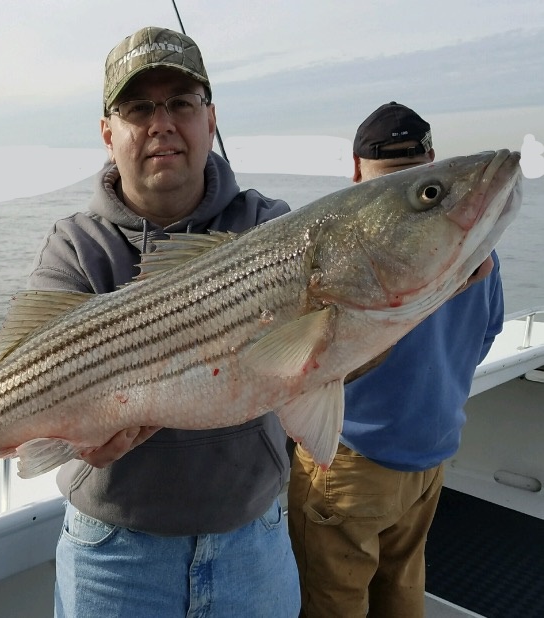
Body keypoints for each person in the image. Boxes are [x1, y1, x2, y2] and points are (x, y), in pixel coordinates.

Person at [27, 26, 300, 617]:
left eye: (181, 102)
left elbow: (338, 363)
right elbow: (28, 384)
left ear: (211, 120)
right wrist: (75, 438)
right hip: (112, 559)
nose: (162, 123)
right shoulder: (74, 245)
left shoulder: (271, 228)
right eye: (138, 108)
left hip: (254, 545)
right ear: (109, 134)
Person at [287, 101, 504, 618]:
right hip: (430, 458)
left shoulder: (354, 255)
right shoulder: (480, 253)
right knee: (403, 593)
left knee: (332, 604)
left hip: (352, 461)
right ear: (432, 159)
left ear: (357, 171)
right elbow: (486, 336)